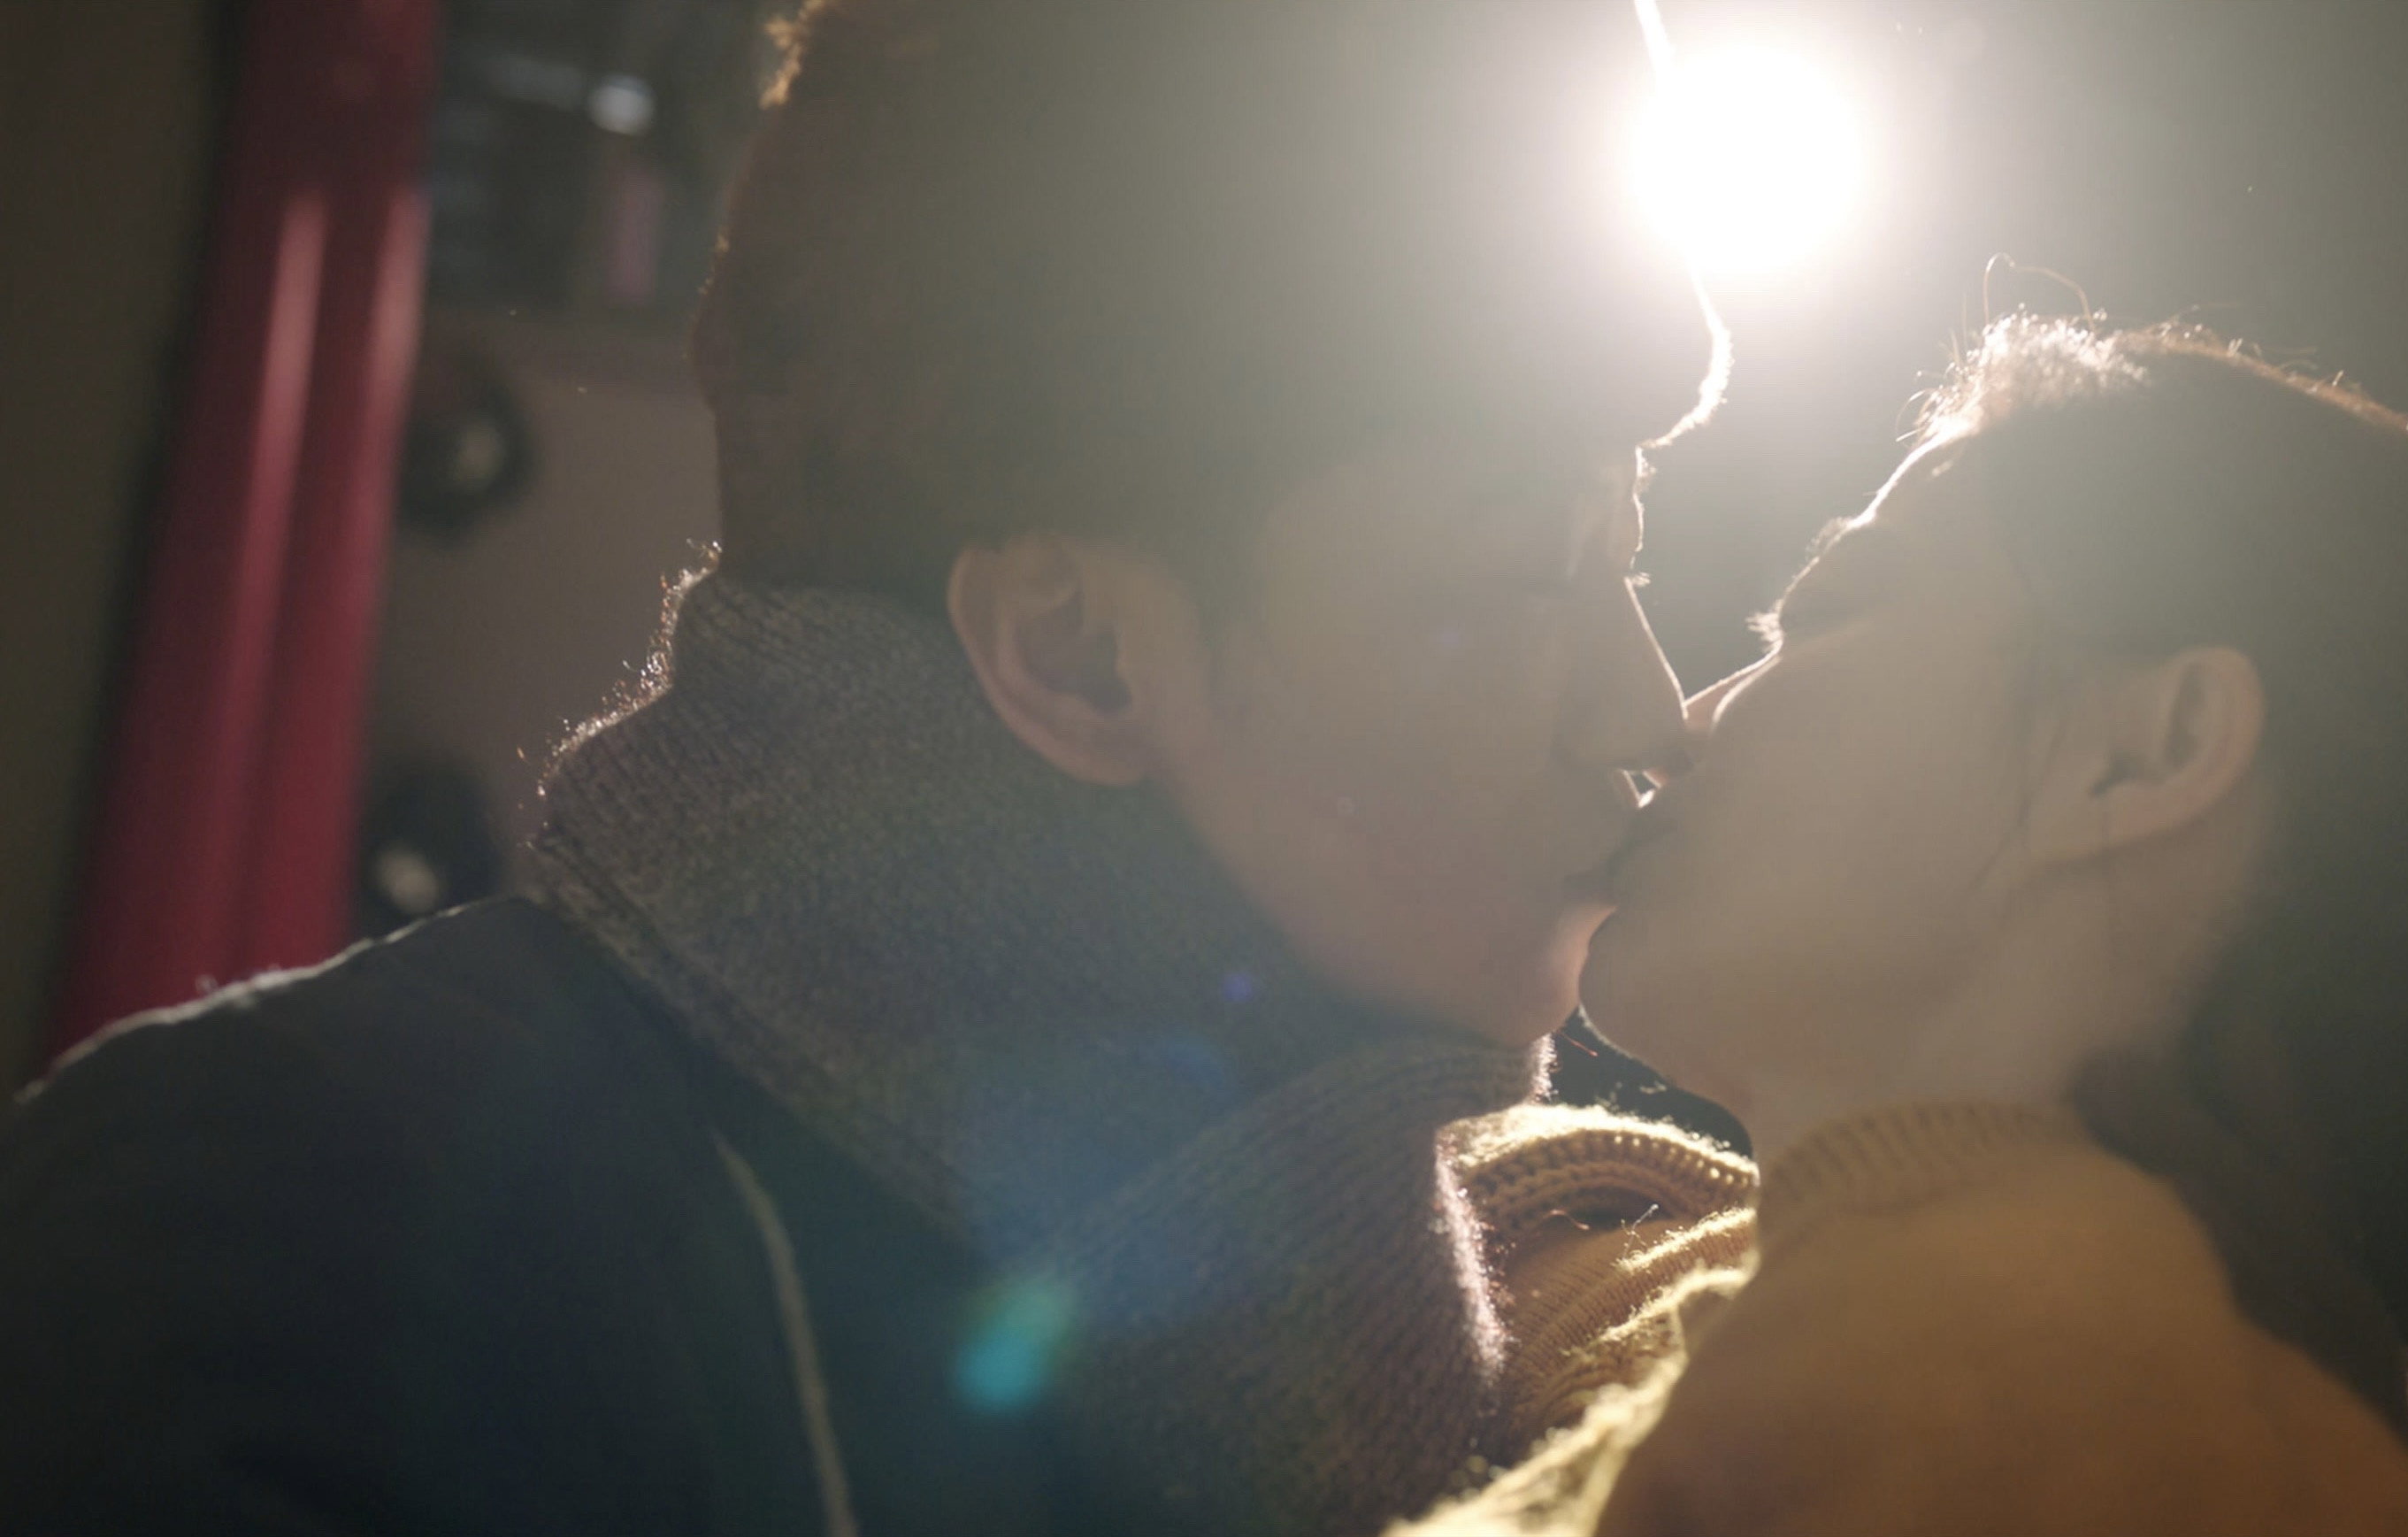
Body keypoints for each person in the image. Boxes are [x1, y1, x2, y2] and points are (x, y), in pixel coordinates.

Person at [0, 4, 1760, 1535]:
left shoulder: (1555, 1308)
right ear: (1077, 654)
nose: (1651, 709)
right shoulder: (276, 1217)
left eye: (1631, 558)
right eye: (1527, 574)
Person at [1402, 315, 2408, 1536]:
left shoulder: (2003, 1430)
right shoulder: (2116, 1386)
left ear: (2145, 751)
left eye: (1826, 613)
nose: (1681, 721)